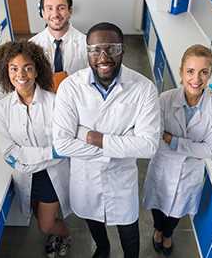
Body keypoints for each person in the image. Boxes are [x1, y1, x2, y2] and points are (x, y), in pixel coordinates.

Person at [53, 22, 160, 258]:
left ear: (122, 50)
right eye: (95, 49)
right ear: (87, 51)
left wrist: (88, 135)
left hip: (121, 181)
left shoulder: (144, 89)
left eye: (111, 48)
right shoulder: (70, 88)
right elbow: (61, 143)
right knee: (92, 219)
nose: (103, 57)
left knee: (129, 228)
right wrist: (122, 143)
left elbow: (149, 145)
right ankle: (103, 249)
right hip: (86, 178)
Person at [143, 44, 212, 256]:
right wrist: (189, 147)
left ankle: (167, 235)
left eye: (203, 72)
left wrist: (173, 140)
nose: (196, 79)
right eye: (190, 71)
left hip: (189, 174)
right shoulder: (164, 100)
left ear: (210, 75)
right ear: (181, 72)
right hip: (163, 166)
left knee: (177, 212)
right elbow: (155, 138)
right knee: (158, 205)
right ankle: (158, 231)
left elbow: (210, 149)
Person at [0, 40, 72, 258]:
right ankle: (56, 229)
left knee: (45, 225)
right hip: (26, 176)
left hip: (51, 176)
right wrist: (49, 153)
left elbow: (64, 147)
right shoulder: (1, 109)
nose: (21, 74)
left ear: (37, 70)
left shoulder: (56, 103)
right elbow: (9, 153)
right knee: (39, 215)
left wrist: (26, 157)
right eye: (14, 69)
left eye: (28, 67)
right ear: (5, 72)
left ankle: (64, 234)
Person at [30, 0, 87, 91]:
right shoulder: (32, 45)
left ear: (70, 11)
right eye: (49, 8)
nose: (55, 14)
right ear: (42, 12)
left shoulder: (86, 44)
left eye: (61, 8)